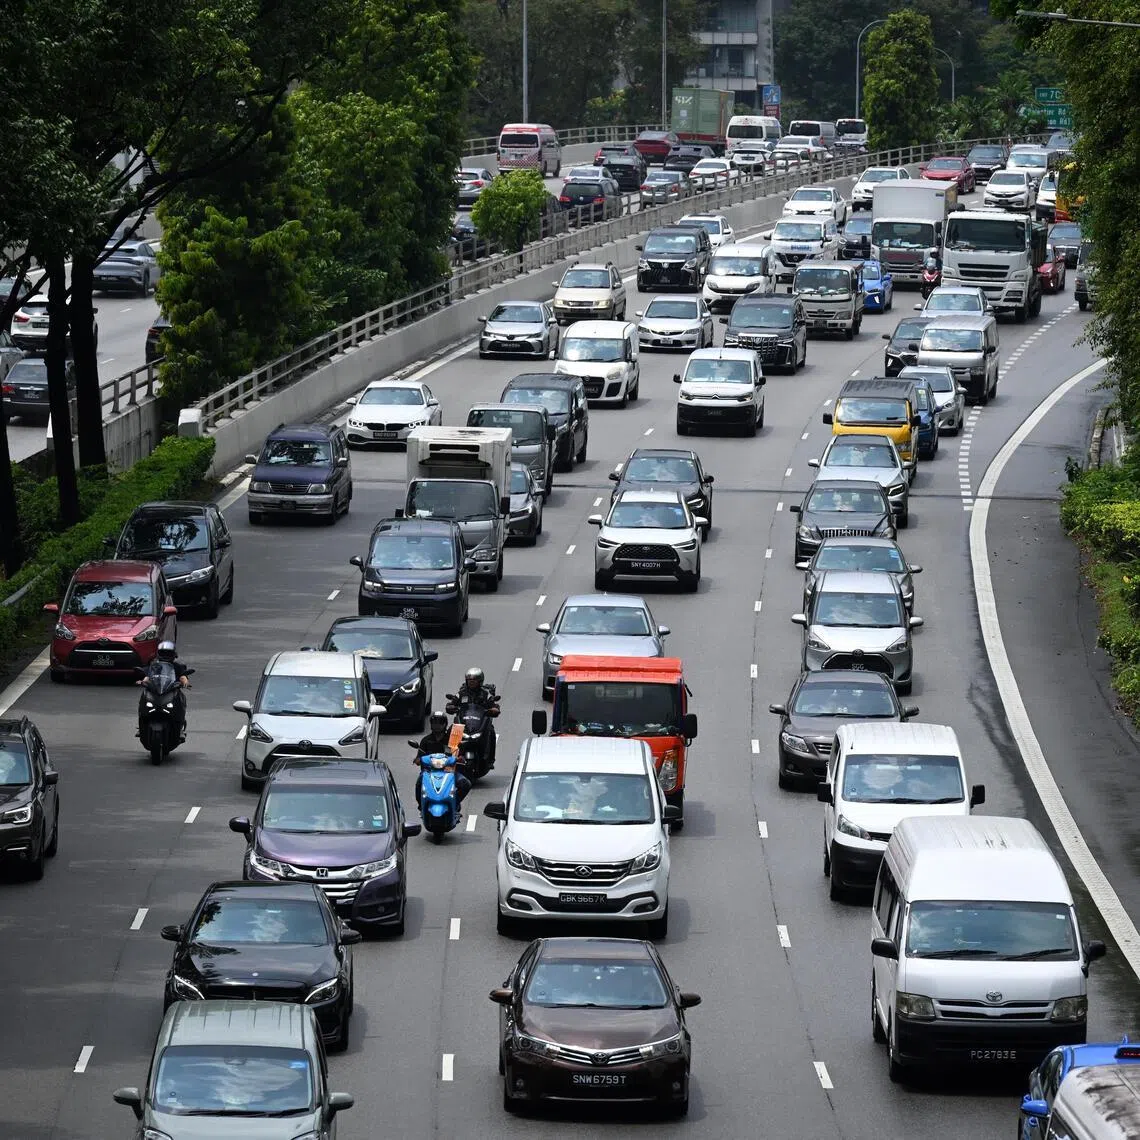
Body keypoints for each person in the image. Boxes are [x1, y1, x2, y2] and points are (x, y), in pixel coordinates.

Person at [414, 711, 470, 807]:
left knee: (465, 784)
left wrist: (460, 758)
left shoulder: (452, 739)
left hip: (448, 771)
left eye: (440, 722)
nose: (437, 725)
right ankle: (422, 805)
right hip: (429, 772)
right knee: (419, 783)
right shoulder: (425, 740)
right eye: (434, 722)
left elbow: (459, 754)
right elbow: (418, 758)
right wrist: (418, 760)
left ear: (445, 724)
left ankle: (454, 803)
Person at [138, 640, 192, 740]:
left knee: (180, 699)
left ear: (173, 654)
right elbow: (148, 676)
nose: (166, 655)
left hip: (171, 691)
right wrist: (143, 681)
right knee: (144, 697)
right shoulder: (154, 665)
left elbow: (183, 676)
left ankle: (179, 726)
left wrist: (185, 682)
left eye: (168, 653)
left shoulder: (178, 666)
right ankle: (142, 725)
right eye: (163, 653)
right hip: (156, 690)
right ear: (159, 653)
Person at [454, 667, 500, 768]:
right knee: (450, 730)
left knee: (491, 732)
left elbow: (494, 704)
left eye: (474, 680)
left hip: (479, 723)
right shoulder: (461, 693)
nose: (471, 682)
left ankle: (490, 759)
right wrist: (450, 706)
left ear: (479, 681)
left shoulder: (485, 694)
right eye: (469, 680)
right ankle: (450, 757)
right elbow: (453, 702)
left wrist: (494, 709)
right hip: (464, 722)